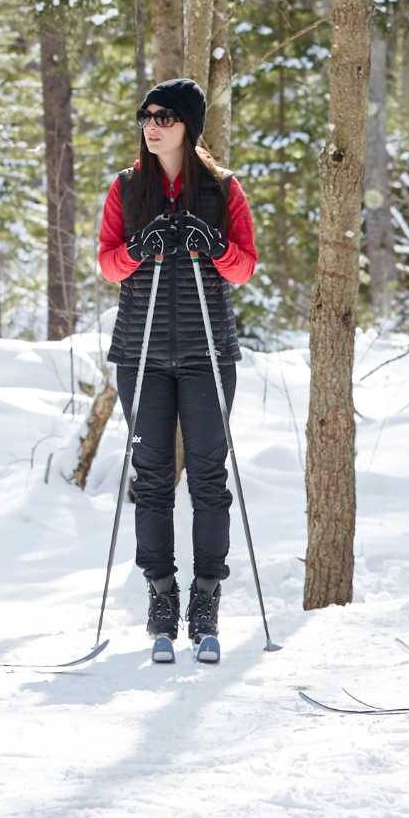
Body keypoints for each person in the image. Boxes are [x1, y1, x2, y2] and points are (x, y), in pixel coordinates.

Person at [94, 78, 258, 660]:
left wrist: (211, 242)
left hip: (208, 352)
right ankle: (160, 597)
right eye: (146, 115)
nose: (152, 124)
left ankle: (207, 598)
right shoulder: (127, 188)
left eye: (165, 116)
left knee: (210, 477)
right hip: (140, 354)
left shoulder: (223, 189)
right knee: (153, 477)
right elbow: (109, 267)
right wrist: (141, 248)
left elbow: (242, 270)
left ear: (189, 125)